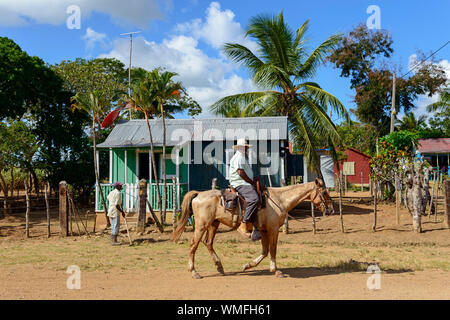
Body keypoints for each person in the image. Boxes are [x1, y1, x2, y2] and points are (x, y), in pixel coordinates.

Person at [228, 138, 261, 241]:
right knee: (254, 199)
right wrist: (251, 182)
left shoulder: (242, 157)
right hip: (240, 183)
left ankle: (254, 226)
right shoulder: (238, 157)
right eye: (245, 146)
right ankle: (243, 224)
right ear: (241, 147)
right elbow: (240, 172)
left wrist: (252, 178)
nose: (246, 148)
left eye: (247, 147)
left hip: (244, 182)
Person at [107, 181, 126, 246]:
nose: (121, 186)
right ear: (117, 186)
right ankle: (114, 241)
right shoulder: (118, 193)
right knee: (116, 225)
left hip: (110, 209)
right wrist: (122, 212)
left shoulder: (111, 192)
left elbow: (108, 198)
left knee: (113, 225)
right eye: (120, 186)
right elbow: (117, 205)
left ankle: (113, 240)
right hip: (115, 211)